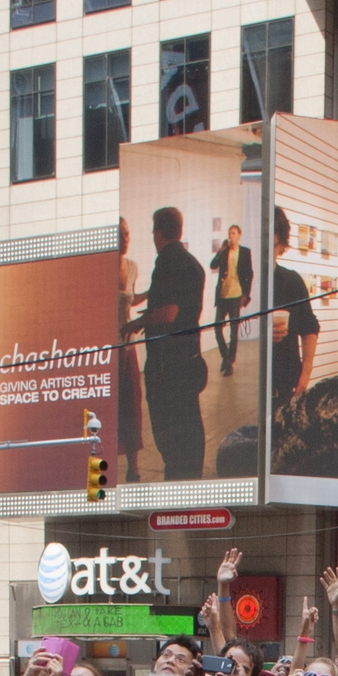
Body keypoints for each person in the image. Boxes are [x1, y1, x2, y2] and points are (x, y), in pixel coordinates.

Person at [140, 205, 207, 480]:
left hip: (167, 366)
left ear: (158, 233)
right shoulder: (192, 263)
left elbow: (169, 312)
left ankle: (177, 479)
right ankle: (190, 476)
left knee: (168, 428)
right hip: (191, 359)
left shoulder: (166, 260)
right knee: (190, 423)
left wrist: (135, 323)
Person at [266, 206, 321, 425]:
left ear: (281, 246)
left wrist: (305, 374)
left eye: (272, 244)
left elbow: (310, 327)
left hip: (285, 389)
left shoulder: (291, 282)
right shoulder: (249, 283)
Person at [210, 223, 253, 377]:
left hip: (236, 295)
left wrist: (246, 294)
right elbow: (212, 265)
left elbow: (249, 274)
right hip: (222, 295)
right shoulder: (224, 251)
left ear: (239, 235)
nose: (231, 236)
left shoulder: (245, 252)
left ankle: (229, 363)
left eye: (234, 233)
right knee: (217, 328)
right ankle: (226, 357)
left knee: (233, 333)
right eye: (230, 233)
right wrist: (220, 250)